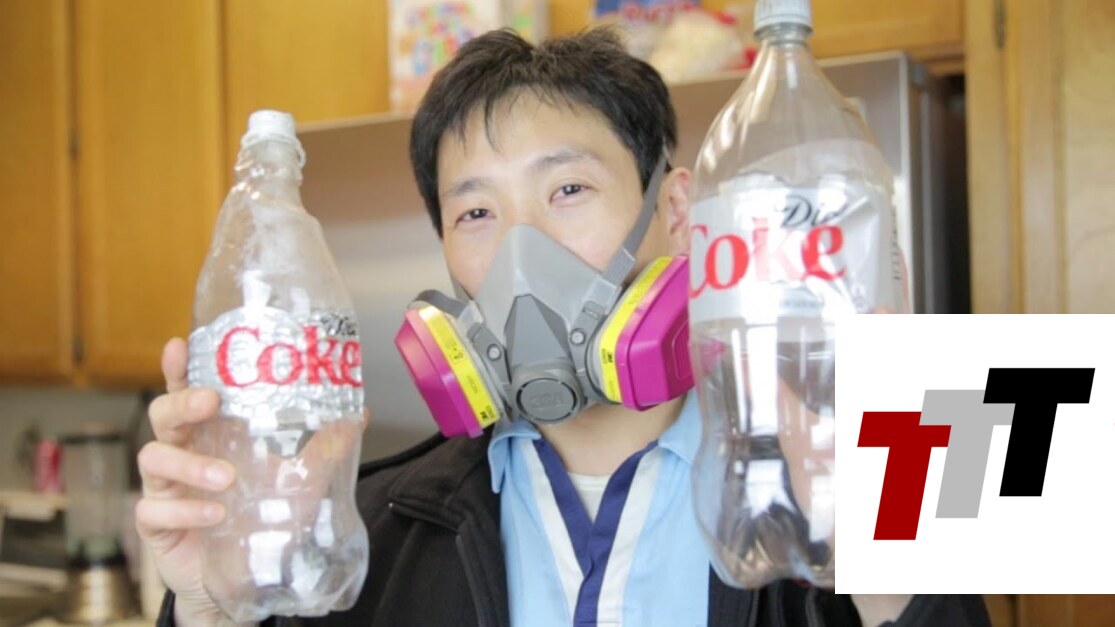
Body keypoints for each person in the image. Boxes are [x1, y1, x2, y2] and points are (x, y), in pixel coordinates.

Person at [136, 28, 990, 627]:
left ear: (677, 211)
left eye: (568, 190)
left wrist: (890, 543)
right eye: (476, 212)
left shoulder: (815, 488)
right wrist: (210, 605)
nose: (522, 250)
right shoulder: (362, 532)